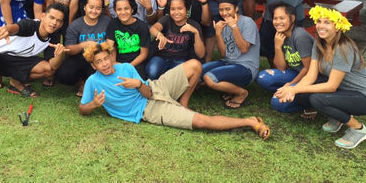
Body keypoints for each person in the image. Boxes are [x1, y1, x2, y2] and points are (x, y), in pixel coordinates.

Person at [79, 42, 270, 140]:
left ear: (111, 57)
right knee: (201, 121)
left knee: (195, 65)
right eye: (99, 62)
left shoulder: (126, 68)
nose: (105, 64)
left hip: (154, 88)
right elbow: (82, 109)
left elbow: (147, 92)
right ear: (93, 65)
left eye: (106, 59)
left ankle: (183, 103)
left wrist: (138, 84)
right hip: (147, 110)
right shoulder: (93, 82)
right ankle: (251, 122)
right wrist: (94, 105)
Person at [275, 5, 366, 149]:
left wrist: (295, 90)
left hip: (365, 97)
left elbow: (331, 86)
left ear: (337, 27)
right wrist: (293, 89)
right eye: (319, 21)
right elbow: (311, 76)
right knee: (302, 94)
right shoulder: (319, 44)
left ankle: (358, 129)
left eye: (327, 22)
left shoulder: (343, 47)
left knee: (316, 98)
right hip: (344, 92)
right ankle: (338, 118)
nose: (321, 26)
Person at [0, 3, 69, 120]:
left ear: (61, 24)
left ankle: (16, 81)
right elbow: (15, 28)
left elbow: (53, 66)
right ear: (43, 16)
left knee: (48, 70)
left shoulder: (53, 36)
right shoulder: (31, 25)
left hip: (19, 61)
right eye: (52, 17)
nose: (54, 23)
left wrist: (60, 54)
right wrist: (7, 29)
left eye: (58, 20)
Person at [257, 2, 322, 114]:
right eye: (275, 18)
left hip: (313, 78)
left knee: (277, 103)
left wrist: (291, 84)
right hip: (296, 73)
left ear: (292, 18)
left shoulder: (299, 36)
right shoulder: (281, 35)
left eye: (282, 18)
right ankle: (289, 94)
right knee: (263, 77)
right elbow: (281, 67)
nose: (277, 22)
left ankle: (311, 104)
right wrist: (277, 47)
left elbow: (308, 68)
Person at [201, 0, 260, 109]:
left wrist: (234, 27)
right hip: (228, 62)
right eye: (221, 10)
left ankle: (241, 93)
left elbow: (244, 49)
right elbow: (223, 54)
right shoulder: (222, 25)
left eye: (228, 9)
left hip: (246, 67)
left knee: (209, 78)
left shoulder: (247, 22)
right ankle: (230, 89)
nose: (224, 13)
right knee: (199, 71)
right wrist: (217, 33)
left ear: (236, 8)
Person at [55, 0, 111, 95]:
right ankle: (81, 82)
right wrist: (83, 45)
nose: (94, 11)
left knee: (103, 72)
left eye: (98, 8)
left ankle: (88, 84)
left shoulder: (107, 21)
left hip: (100, 58)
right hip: (80, 57)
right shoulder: (75, 25)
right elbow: (68, 49)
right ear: (84, 7)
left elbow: (111, 43)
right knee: (63, 74)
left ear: (101, 10)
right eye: (91, 7)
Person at [146, 0, 205, 80]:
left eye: (180, 8)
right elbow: (153, 28)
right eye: (173, 9)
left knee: (174, 78)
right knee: (152, 72)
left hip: (181, 59)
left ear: (187, 10)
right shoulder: (167, 19)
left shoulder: (194, 25)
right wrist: (159, 35)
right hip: (162, 57)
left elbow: (201, 54)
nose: (176, 12)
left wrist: (196, 32)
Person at [106, 0, 151, 79]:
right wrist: (113, 61)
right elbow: (110, 46)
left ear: (132, 9)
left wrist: (128, 67)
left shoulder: (142, 27)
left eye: (126, 8)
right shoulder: (113, 23)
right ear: (115, 11)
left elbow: (143, 54)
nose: (123, 12)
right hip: (118, 61)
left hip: (136, 62)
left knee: (137, 83)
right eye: (119, 9)